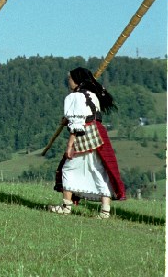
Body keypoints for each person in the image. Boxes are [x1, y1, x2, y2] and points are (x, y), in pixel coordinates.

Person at [49, 67, 126, 218]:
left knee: (68, 169)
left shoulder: (75, 97)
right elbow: (87, 115)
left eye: (70, 79)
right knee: (99, 170)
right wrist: (68, 120)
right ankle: (105, 211)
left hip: (85, 133)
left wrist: (70, 145)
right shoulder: (92, 95)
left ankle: (66, 207)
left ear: (76, 80)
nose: (68, 81)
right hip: (99, 132)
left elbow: (78, 124)